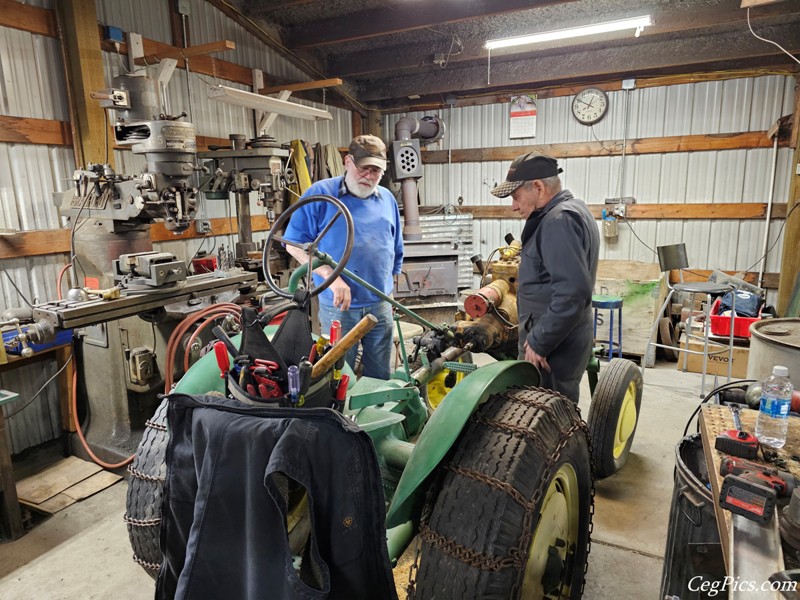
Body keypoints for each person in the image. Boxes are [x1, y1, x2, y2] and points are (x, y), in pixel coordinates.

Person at [282, 134, 404, 379]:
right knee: (338, 375)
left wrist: (390, 294)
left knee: (380, 375)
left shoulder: (387, 199)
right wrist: (330, 275)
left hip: (380, 304)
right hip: (339, 308)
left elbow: (395, 249)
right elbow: (292, 244)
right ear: (348, 162)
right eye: (364, 168)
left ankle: (377, 413)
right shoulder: (321, 194)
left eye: (377, 171)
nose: (370, 176)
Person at [490, 152, 599, 402]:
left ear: (538, 187)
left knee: (544, 420)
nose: (514, 206)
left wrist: (539, 341)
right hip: (565, 337)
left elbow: (573, 292)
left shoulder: (557, 221)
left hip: (552, 348)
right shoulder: (574, 209)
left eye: (516, 196)